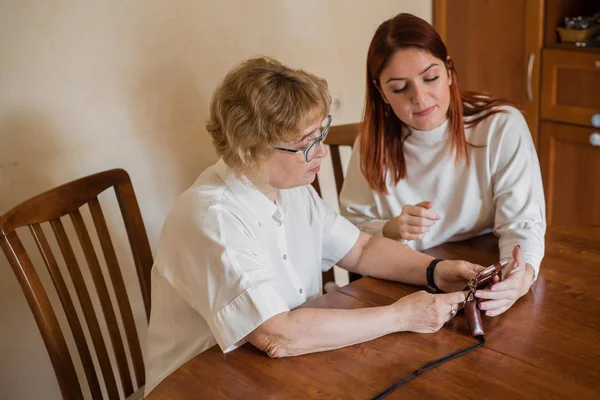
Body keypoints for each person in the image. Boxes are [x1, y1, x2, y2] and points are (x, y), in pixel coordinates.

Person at [144, 56, 485, 395]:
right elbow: (277, 336)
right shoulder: (211, 217)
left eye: (320, 132)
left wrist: (435, 270)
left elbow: (361, 249)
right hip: (201, 385)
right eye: (306, 144)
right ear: (249, 150)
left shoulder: (289, 189)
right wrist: (402, 317)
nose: (321, 151)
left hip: (277, 374)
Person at [340, 13, 546, 320]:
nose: (420, 97)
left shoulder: (500, 126)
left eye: (430, 77)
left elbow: (522, 223)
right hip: (405, 281)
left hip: (483, 269)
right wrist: (392, 227)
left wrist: (521, 276)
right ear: (380, 91)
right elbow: (347, 234)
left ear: (449, 70)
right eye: (399, 88)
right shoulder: (372, 144)